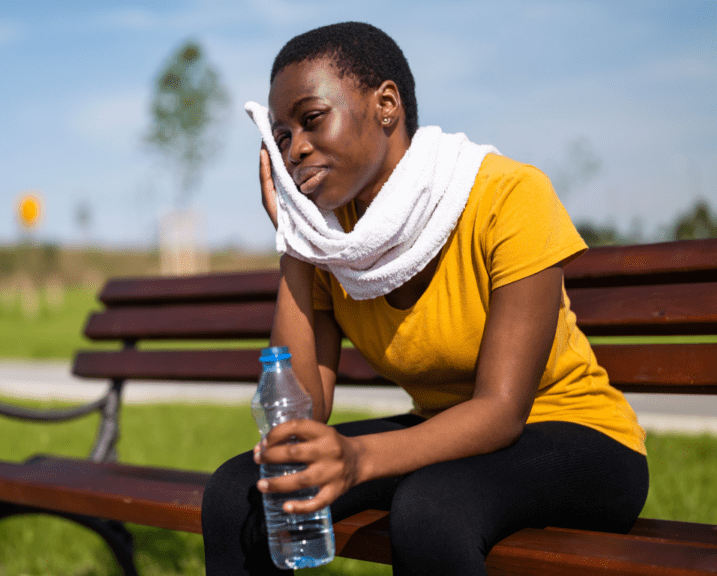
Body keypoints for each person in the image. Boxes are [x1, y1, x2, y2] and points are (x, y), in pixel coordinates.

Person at [201, 22, 648, 576]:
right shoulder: (331, 237)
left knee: (431, 510)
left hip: (578, 439)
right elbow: (306, 412)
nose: (296, 148)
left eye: (311, 119)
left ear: (385, 105)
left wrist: (358, 459)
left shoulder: (507, 196)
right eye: (282, 136)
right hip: (443, 430)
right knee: (237, 492)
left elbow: (502, 413)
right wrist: (294, 242)